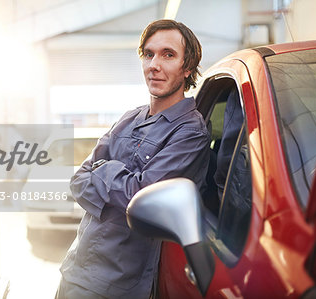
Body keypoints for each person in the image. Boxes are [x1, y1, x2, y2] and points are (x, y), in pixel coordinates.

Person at [56, 19, 210, 299]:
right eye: (148, 54)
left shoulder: (190, 132)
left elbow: (141, 199)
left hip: (114, 284)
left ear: (188, 68)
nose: (154, 64)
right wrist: (121, 184)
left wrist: (104, 171)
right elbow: (78, 180)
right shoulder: (130, 118)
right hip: (75, 269)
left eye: (168, 55)